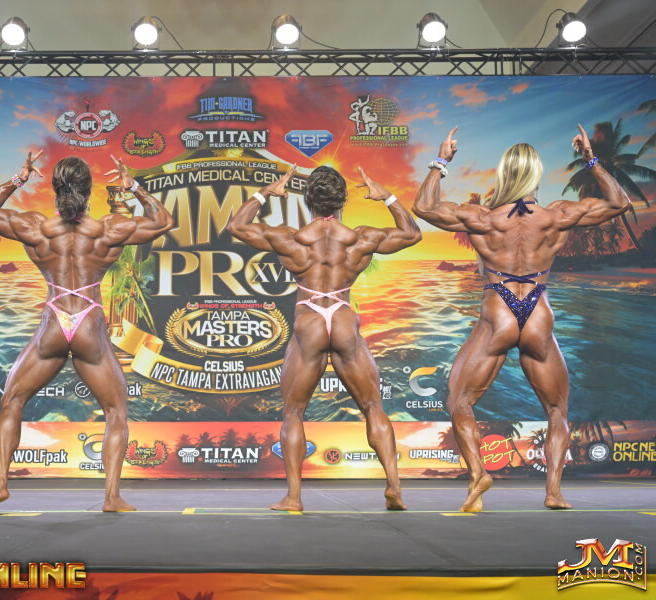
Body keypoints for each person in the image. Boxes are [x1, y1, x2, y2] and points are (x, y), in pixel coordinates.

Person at [412, 125, 631, 512]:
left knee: (459, 400)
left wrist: (441, 160)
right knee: (556, 410)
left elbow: (425, 208)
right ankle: (554, 493)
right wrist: (591, 160)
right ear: (536, 175)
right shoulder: (557, 215)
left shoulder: (483, 217)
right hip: (537, 310)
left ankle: (478, 475)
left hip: (498, 306)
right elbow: (619, 203)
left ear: (504, 175)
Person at [0, 152, 173, 513]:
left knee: (12, 401)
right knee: (115, 410)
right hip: (89, 325)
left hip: (54, 322)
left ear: (54, 188)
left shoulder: (36, 227)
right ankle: (111, 497)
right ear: (89, 190)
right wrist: (134, 187)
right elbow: (162, 221)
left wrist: (19, 179)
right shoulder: (107, 229)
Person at [227, 164, 422, 511]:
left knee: (294, 412)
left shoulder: (291, 238)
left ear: (308, 200)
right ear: (342, 200)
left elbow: (237, 226)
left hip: (310, 320)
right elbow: (412, 234)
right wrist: (388, 197)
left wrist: (266, 192)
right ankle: (394, 487)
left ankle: (294, 497)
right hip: (343, 318)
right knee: (372, 406)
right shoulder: (361, 238)